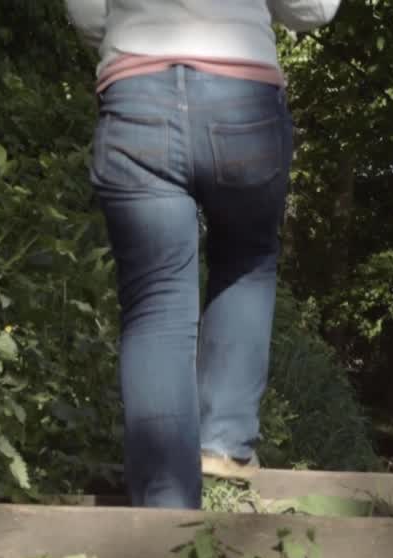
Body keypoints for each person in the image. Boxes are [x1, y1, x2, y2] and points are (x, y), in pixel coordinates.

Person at [65, 1, 341, 509]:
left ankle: (165, 502)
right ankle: (223, 446)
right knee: (246, 261)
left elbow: (87, 15)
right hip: (242, 98)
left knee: (156, 304)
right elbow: (312, 8)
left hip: (137, 96)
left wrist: (136, 33)